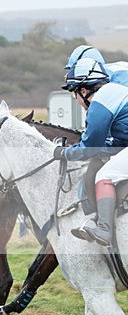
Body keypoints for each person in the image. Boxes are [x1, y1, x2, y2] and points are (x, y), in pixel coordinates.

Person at [55, 57, 128, 246]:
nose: (77, 101)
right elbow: (120, 142)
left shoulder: (100, 103)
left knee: (105, 175)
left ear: (84, 90)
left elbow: (88, 148)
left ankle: (104, 229)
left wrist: (64, 153)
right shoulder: (116, 92)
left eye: (75, 95)